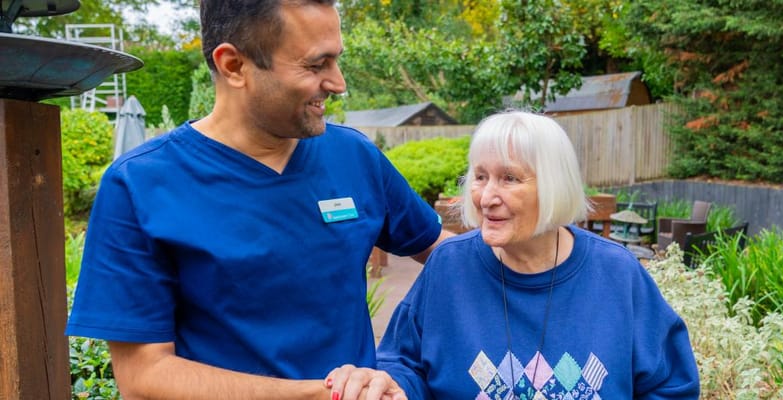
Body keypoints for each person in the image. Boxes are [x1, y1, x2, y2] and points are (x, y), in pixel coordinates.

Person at [65, 1, 452, 399]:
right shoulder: (140, 184)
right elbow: (142, 376)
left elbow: (451, 260)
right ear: (233, 65)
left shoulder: (354, 156)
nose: (338, 83)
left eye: (337, 60)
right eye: (316, 65)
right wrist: (321, 395)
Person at [331, 111, 700, 399]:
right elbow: (404, 364)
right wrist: (390, 386)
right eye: (480, 177)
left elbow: (671, 386)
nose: (487, 196)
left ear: (554, 185)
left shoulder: (617, 274)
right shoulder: (449, 267)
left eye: (509, 178)